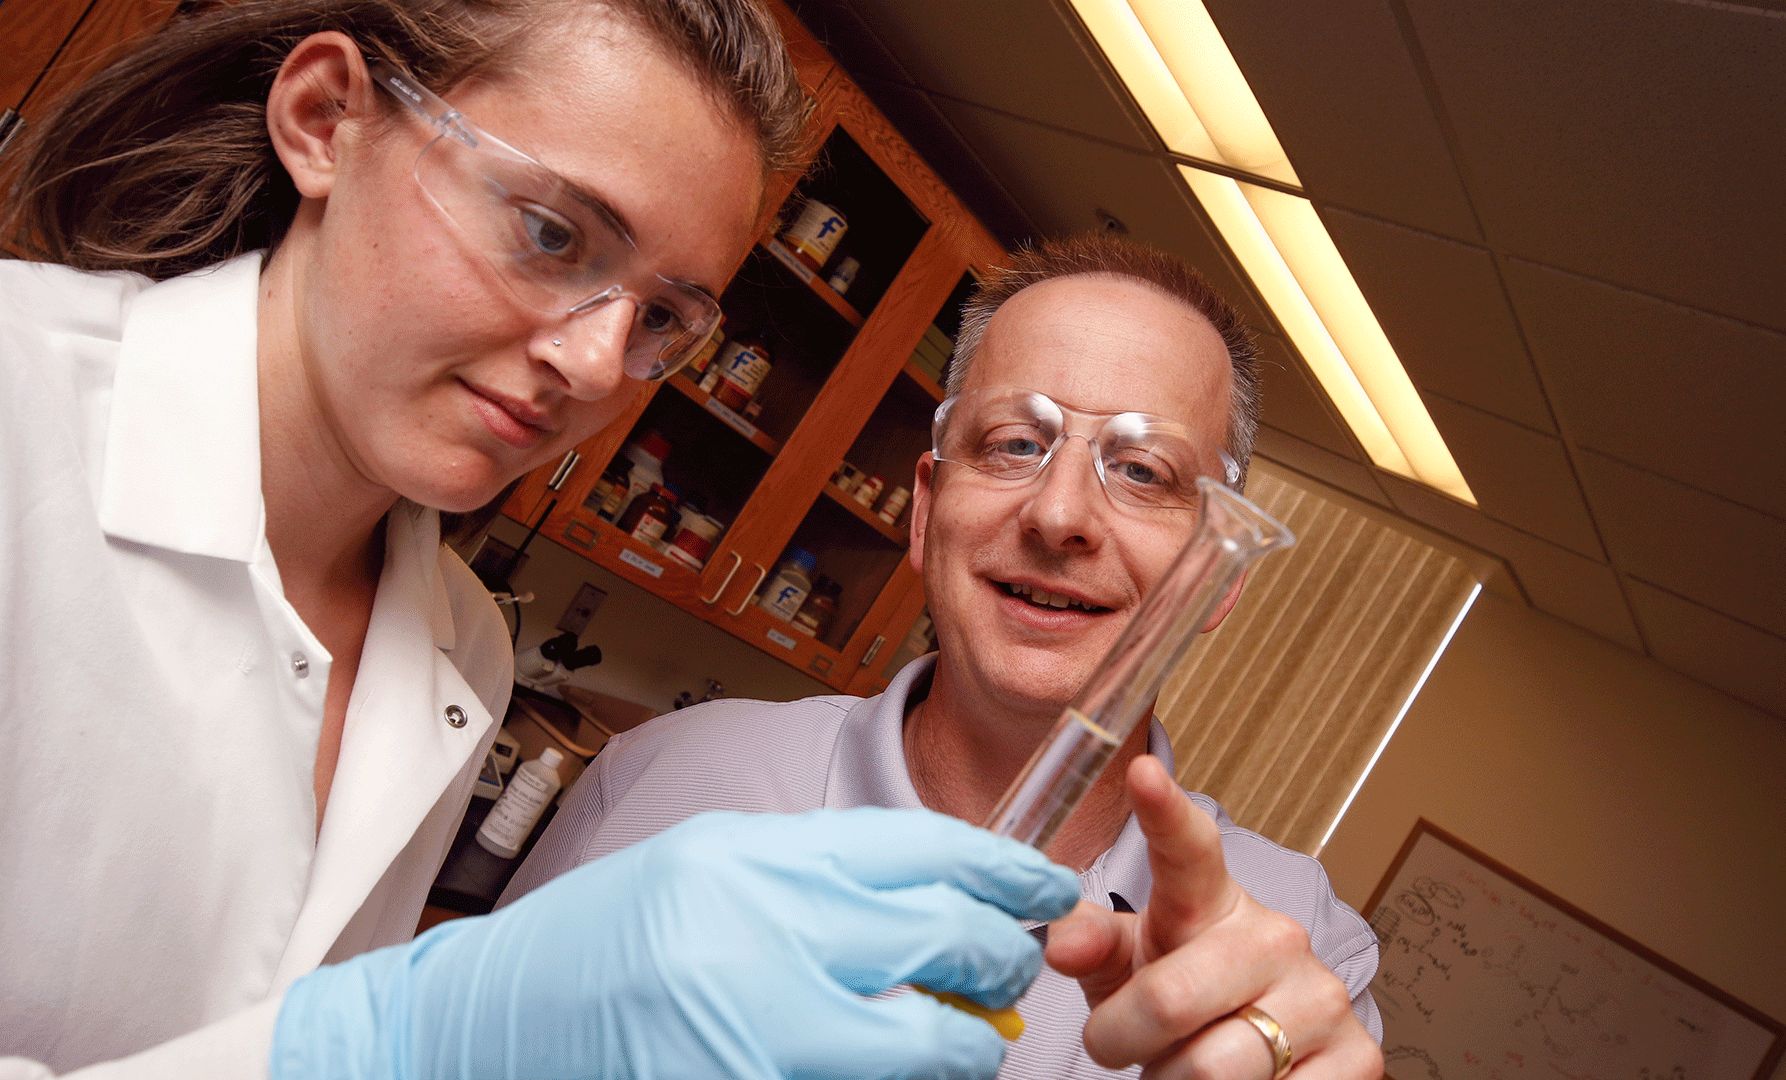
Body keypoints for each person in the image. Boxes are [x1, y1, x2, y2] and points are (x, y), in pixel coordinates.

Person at [0, 2, 1082, 1078]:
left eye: (662, 317)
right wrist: (412, 1036)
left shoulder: (459, 645)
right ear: (327, 119)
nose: (600, 363)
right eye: (553, 234)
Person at [506, 234, 1391, 1080]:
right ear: (926, 511)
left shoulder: (1299, 945)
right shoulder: (667, 775)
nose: (1059, 515)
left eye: (1144, 470)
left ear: (1216, 581)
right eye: (1015, 443)